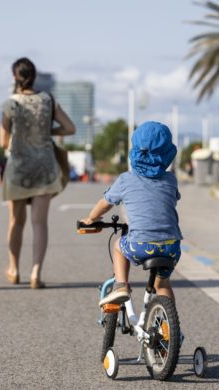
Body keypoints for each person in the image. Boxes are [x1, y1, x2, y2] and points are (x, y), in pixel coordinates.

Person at [80, 121, 183, 305]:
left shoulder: (126, 180)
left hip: (140, 245)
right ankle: (170, 331)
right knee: (163, 285)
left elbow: (105, 204)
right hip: (171, 247)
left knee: (119, 246)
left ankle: (121, 286)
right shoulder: (170, 180)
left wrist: (91, 219)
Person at [0, 57, 76, 289]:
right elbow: (70, 128)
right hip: (45, 168)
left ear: (15, 76)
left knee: (16, 221)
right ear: (34, 76)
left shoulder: (10, 103)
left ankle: (13, 269)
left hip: (19, 168)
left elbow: (4, 141)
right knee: (39, 223)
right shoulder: (48, 99)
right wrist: (47, 130)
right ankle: (36, 273)